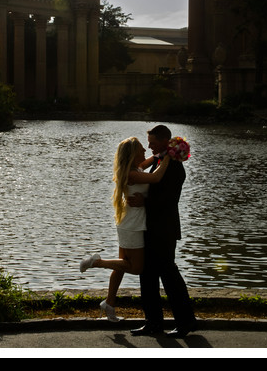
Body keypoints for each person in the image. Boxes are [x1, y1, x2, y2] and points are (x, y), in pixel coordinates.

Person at [79, 137, 172, 322]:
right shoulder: (132, 174)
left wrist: (163, 152)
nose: (145, 150)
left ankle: (109, 304)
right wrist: (169, 156)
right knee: (136, 268)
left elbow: (152, 160)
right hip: (133, 226)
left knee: (121, 265)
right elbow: (156, 177)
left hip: (128, 223)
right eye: (141, 148)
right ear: (133, 154)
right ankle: (96, 262)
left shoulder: (136, 168)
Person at [129, 124, 197, 338]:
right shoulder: (160, 160)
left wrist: (143, 201)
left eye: (152, 142)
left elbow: (168, 200)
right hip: (150, 227)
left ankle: (185, 322)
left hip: (165, 229)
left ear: (165, 142)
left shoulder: (174, 166)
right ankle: (153, 322)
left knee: (169, 275)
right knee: (147, 275)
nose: (149, 146)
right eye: (148, 143)